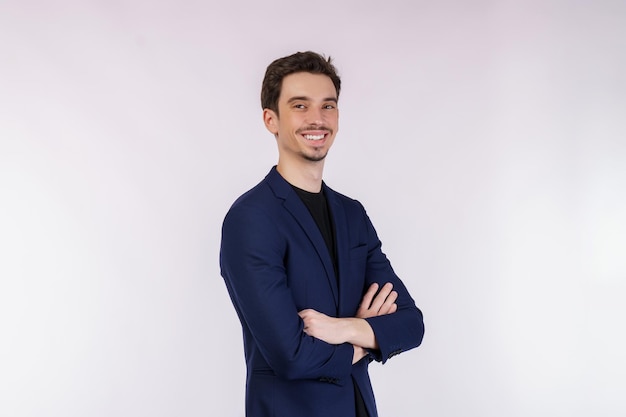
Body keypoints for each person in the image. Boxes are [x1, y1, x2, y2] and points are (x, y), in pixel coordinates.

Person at [220, 51, 424, 417]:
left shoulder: (352, 214)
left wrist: (342, 327)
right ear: (271, 119)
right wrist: (365, 338)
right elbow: (292, 356)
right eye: (300, 105)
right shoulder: (251, 219)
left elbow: (411, 323)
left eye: (327, 106)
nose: (317, 119)